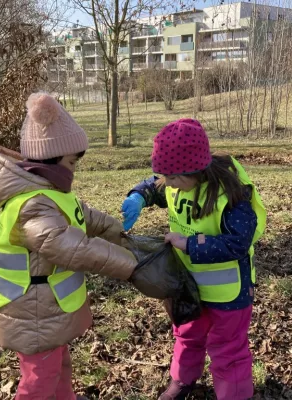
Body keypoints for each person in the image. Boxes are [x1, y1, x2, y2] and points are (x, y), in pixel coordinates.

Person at [0, 92, 137, 400]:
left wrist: (123, 236)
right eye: (71, 162)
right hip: (31, 310)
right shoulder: (33, 205)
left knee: (59, 369)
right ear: (51, 158)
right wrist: (129, 264)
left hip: (48, 309)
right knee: (39, 381)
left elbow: (88, 218)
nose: (74, 169)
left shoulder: (52, 194)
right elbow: (70, 247)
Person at [121, 119, 266, 400]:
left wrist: (188, 243)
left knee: (228, 349)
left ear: (196, 169)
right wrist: (138, 196)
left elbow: (237, 243)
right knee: (187, 335)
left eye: (173, 178)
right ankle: (182, 381)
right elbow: (155, 184)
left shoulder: (232, 194)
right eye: (164, 176)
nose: (168, 184)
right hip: (186, 286)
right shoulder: (175, 180)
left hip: (229, 293)